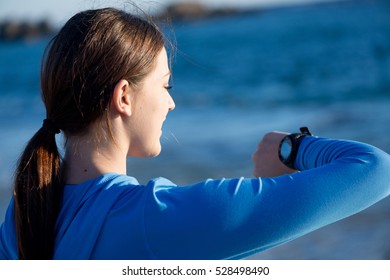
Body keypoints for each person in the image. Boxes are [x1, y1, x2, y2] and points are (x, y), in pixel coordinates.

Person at [1, 7, 390, 260]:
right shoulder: (159, 219)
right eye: (165, 85)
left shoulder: (22, 217)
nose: (171, 103)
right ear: (124, 96)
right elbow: (375, 170)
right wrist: (292, 150)